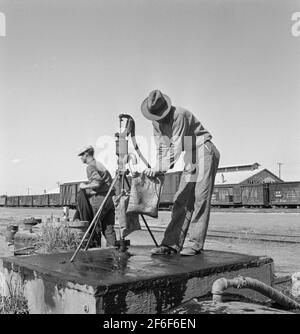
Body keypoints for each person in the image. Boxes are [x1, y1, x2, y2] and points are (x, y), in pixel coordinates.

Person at [141, 90, 220, 256]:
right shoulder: (156, 122)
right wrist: (158, 167)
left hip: (203, 149)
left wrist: (161, 167)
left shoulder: (179, 115)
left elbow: (176, 145)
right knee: (181, 200)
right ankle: (171, 244)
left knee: (200, 198)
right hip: (191, 154)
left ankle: (195, 244)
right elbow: (162, 147)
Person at [75, 145, 117, 247]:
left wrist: (84, 186)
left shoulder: (91, 166)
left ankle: (96, 250)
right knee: (108, 227)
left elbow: (97, 184)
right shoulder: (99, 164)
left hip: (101, 199)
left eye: (81, 155)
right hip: (110, 199)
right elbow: (104, 184)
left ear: (86, 154)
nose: (81, 158)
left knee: (95, 226)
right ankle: (113, 250)